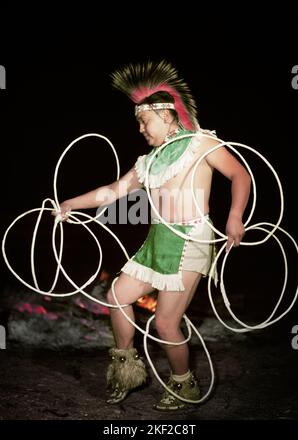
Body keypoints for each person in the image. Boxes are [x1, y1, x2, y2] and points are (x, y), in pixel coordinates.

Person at [54, 60, 251, 411]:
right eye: (138, 123)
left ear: (165, 114)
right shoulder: (148, 161)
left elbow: (240, 175)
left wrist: (235, 217)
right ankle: (126, 369)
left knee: (164, 322)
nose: (141, 129)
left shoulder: (201, 143)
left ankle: (184, 384)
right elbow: (112, 191)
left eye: (144, 121)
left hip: (191, 239)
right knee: (117, 294)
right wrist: (70, 204)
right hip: (157, 242)